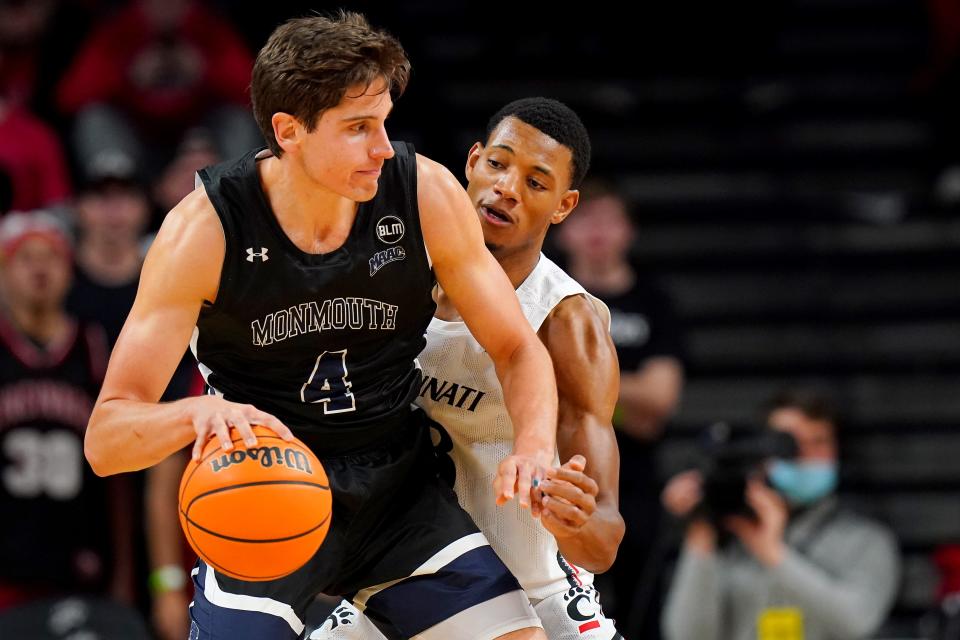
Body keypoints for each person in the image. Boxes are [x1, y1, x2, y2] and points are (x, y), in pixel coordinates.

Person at [83, 12, 559, 640]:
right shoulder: (204, 232)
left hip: (397, 488)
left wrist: (533, 446)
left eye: (384, 123)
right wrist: (192, 416)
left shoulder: (424, 194)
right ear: (290, 131)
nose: (383, 148)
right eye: (359, 128)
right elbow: (106, 440)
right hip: (264, 487)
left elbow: (518, 347)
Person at [316, 97, 626, 639]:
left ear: (564, 205)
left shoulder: (565, 323)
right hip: (408, 579)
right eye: (499, 164)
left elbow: (603, 541)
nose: (507, 187)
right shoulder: (391, 276)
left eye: (536, 182)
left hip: (531, 593)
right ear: (472, 160)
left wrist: (573, 519)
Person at [661, 389, 901, 640]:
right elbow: (686, 635)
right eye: (789, 445)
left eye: (818, 442)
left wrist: (773, 553)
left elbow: (857, 621)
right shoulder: (731, 535)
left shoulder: (866, 541)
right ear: (762, 453)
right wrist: (702, 530)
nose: (805, 455)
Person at [554, 181, 685, 636]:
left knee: (641, 609)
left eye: (609, 219)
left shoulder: (652, 302)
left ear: (628, 231)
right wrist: (620, 399)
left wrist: (580, 390)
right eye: (585, 219)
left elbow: (659, 402)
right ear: (563, 226)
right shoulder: (545, 293)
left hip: (636, 482)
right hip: (559, 474)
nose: (597, 231)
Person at [0, 211, 134, 609]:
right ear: (4, 272)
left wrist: (124, 572)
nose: (39, 270)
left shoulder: (92, 346)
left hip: (81, 558)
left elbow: (119, 479)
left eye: (50, 257)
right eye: (26, 258)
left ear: (69, 269)